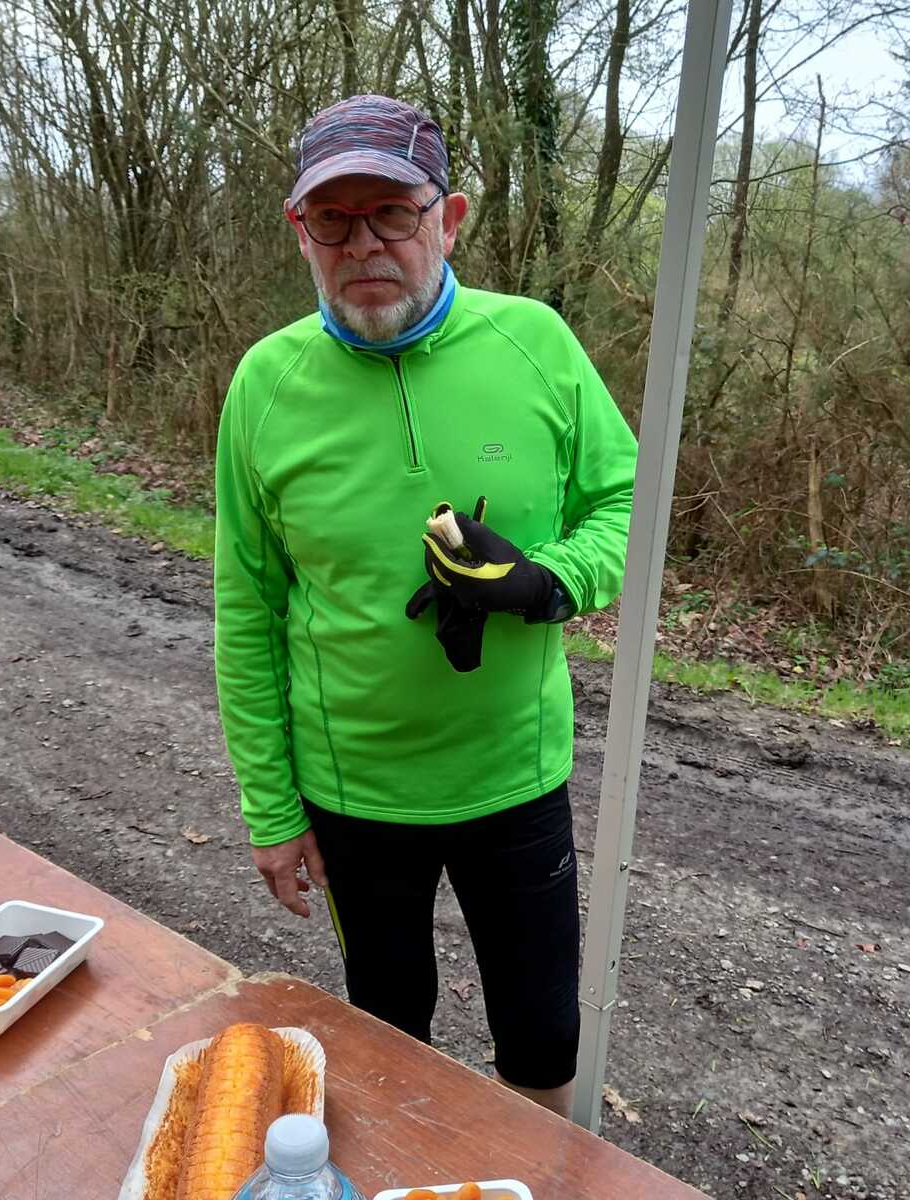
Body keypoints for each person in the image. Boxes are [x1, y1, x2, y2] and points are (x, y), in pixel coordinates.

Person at [213, 93, 638, 1119]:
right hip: (354, 795)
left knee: (542, 1036)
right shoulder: (266, 384)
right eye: (334, 220)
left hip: (513, 778)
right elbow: (246, 609)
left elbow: (629, 503)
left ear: (448, 219)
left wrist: (549, 580)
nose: (364, 244)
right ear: (300, 233)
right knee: (388, 1034)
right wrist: (272, 811)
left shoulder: (535, 343)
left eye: (393, 214)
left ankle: (536, 1181)